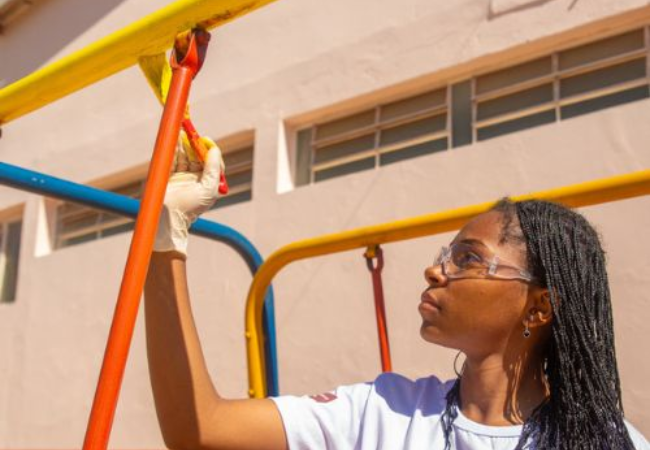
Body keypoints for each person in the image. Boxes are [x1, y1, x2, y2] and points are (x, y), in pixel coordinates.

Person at [144, 140, 650, 450]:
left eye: (468, 258)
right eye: (446, 253)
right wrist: (165, 239)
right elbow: (199, 427)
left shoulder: (609, 442)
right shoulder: (383, 412)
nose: (435, 270)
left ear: (539, 306)